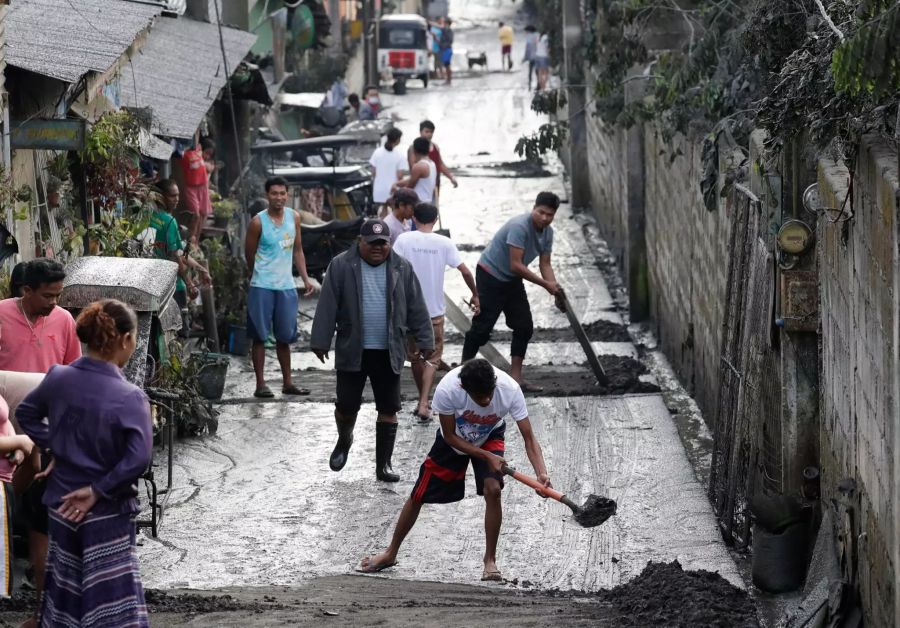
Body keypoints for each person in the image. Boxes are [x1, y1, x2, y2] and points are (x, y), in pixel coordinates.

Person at [17, 299, 153, 627]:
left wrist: (57, 447)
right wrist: (97, 490)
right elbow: (139, 458)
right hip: (107, 513)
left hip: (62, 507)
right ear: (124, 340)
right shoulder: (130, 396)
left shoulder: (59, 377)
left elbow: (26, 414)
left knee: (64, 593)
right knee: (111, 601)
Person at [358, 358, 552, 581]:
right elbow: (449, 436)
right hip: (455, 440)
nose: (487, 400)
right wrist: (486, 456)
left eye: (489, 394)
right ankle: (391, 553)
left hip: (490, 435)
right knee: (419, 494)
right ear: (464, 388)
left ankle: (490, 561)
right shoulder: (449, 389)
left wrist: (541, 473)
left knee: (493, 489)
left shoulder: (509, 389)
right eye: (480, 397)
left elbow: (529, 437)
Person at [310, 219, 434, 482]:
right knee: (346, 405)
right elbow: (327, 303)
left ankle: (384, 465)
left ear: (390, 243)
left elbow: (416, 306)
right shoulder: (341, 265)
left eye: (383, 244)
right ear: (360, 242)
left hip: (389, 349)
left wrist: (425, 340)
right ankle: (344, 440)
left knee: (389, 407)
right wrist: (320, 340)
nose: (378, 248)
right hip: (352, 347)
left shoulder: (402, 266)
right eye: (372, 244)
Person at [0, 258, 80, 627]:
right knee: (9, 505)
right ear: (25, 290)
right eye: (48, 295)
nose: (54, 302)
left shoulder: (64, 321)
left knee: (38, 508)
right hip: (3, 425)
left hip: (46, 431)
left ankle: (42, 592)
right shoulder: (1, 315)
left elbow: (73, 374)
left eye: (58, 295)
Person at [462, 192, 564, 392]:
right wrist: (546, 285)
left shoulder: (548, 233)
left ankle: (516, 378)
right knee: (482, 329)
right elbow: (516, 264)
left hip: (512, 279)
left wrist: (555, 290)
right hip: (490, 274)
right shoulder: (519, 226)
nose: (544, 218)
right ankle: (462, 375)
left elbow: (545, 264)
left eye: (549, 215)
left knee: (524, 326)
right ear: (533, 208)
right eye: (541, 212)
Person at [393, 202, 480, 421]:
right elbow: (466, 271)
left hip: (410, 311)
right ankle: (424, 402)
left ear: (414, 218)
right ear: (435, 219)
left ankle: (420, 400)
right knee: (432, 357)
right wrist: (475, 294)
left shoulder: (404, 240)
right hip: (433, 312)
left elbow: (391, 269)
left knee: (414, 358)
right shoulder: (444, 243)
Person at [244, 177, 316, 399]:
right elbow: (249, 254)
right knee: (260, 336)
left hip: (286, 286)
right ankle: (260, 384)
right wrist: (259, 273)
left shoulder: (294, 217)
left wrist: (305, 279)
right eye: (274, 193)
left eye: (282, 193)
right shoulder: (258, 222)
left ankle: (287, 382)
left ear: (287, 194)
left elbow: (298, 250)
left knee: (285, 336)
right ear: (267, 195)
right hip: (262, 286)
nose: (279, 197)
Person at [148, 179, 212, 310]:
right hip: (171, 285)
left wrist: (201, 269)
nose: (176, 199)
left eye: (177, 195)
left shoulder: (144, 215)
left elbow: (180, 252)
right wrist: (189, 284)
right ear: (159, 196)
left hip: (149, 282)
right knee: (179, 327)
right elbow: (174, 256)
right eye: (172, 195)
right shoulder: (168, 221)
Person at [408, 120, 458, 204]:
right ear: (420, 132)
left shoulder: (435, 147)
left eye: (431, 132)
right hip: (421, 184)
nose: (429, 134)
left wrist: (451, 177)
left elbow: (440, 164)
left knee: (433, 209)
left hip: (434, 183)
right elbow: (413, 166)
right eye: (426, 131)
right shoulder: (414, 148)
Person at [180, 135, 216, 243]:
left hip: (203, 186)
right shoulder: (185, 154)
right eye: (207, 152)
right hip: (191, 187)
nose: (208, 156)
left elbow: (210, 167)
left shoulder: (199, 152)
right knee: (195, 214)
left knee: (203, 214)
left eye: (210, 154)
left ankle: (196, 241)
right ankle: (191, 239)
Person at [369, 128, 406, 216]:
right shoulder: (399, 155)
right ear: (397, 140)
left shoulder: (377, 152)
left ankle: (381, 229)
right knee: (394, 214)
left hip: (379, 191)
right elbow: (400, 176)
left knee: (382, 214)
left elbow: (373, 172)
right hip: (392, 191)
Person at [396, 137, 437, 203]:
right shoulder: (432, 164)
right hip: (428, 201)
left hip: (419, 203)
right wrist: (397, 183)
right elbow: (413, 179)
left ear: (414, 150)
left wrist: (397, 192)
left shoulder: (419, 166)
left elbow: (409, 187)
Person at [439, 18, 454, 85]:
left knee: (447, 65)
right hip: (445, 49)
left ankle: (449, 80)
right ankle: (448, 79)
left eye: (444, 23)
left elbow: (450, 41)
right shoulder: (445, 30)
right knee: (446, 65)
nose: (443, 24)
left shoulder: (448, 30)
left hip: (447, 49)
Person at [523, 25, 539, 89]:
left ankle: (529, 84)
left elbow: (528, 48)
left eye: (526, 31)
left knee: (530, 70)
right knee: (537, 70)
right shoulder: (538, 35)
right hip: (539, 56)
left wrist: (525, 57)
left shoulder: (529, 37)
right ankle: (538, 84)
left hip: (532, 56)